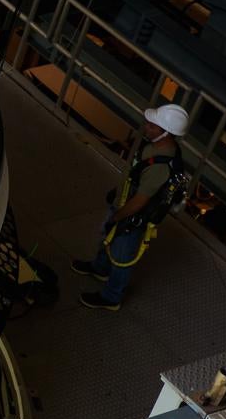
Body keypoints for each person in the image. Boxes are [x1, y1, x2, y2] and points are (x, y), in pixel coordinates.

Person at [74, 104, 191, 311]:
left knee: (121, 257)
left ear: (166, 133)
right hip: (125, 204)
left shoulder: (160, 167)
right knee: (108, 237)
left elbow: (140, 201)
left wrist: (118, 216)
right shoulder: (158, 147)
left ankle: (111, 298)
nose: (147, 127)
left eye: (152, 126)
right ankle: (100, 268)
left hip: (132, 215)